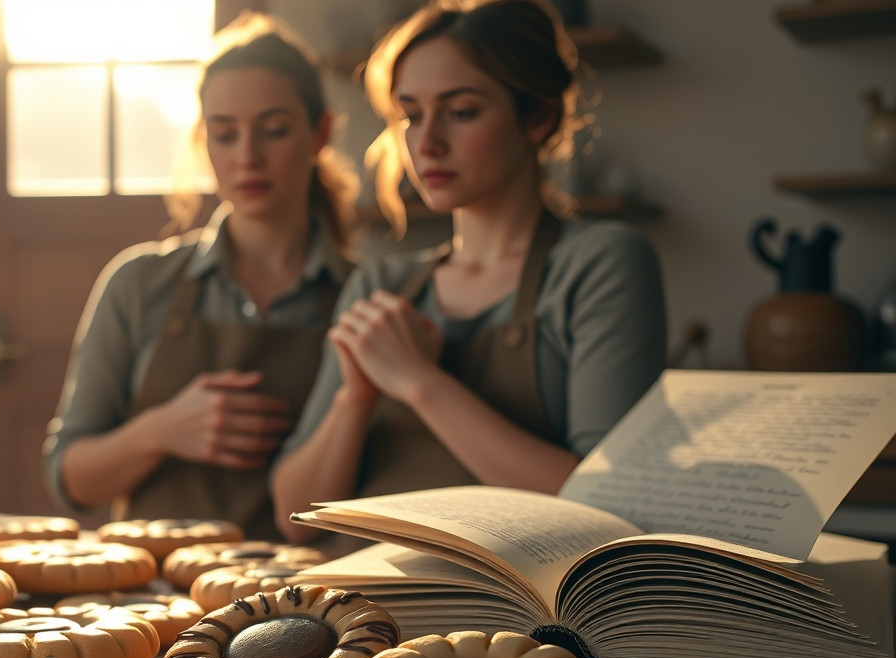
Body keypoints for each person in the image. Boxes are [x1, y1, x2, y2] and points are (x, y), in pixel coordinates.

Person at [271, 0, 666, 545]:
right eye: (411, 114)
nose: (426, 142)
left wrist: (419, 382)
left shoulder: (600, 262)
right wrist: (355, 399)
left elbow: (605, 509)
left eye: (460, 111)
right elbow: (293, 515)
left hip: (518, 617)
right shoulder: (380, 286)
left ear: (539, 118)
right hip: (359, 602)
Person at [42, 12, 360, 541]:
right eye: (225, 133)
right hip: (156, 605)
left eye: (274, 130)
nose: (248, 157)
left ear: (319, 132)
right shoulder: (137, 283)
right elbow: (69, 480)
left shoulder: (364, 295)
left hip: (309, 605)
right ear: (203, 140)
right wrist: (161, 431)